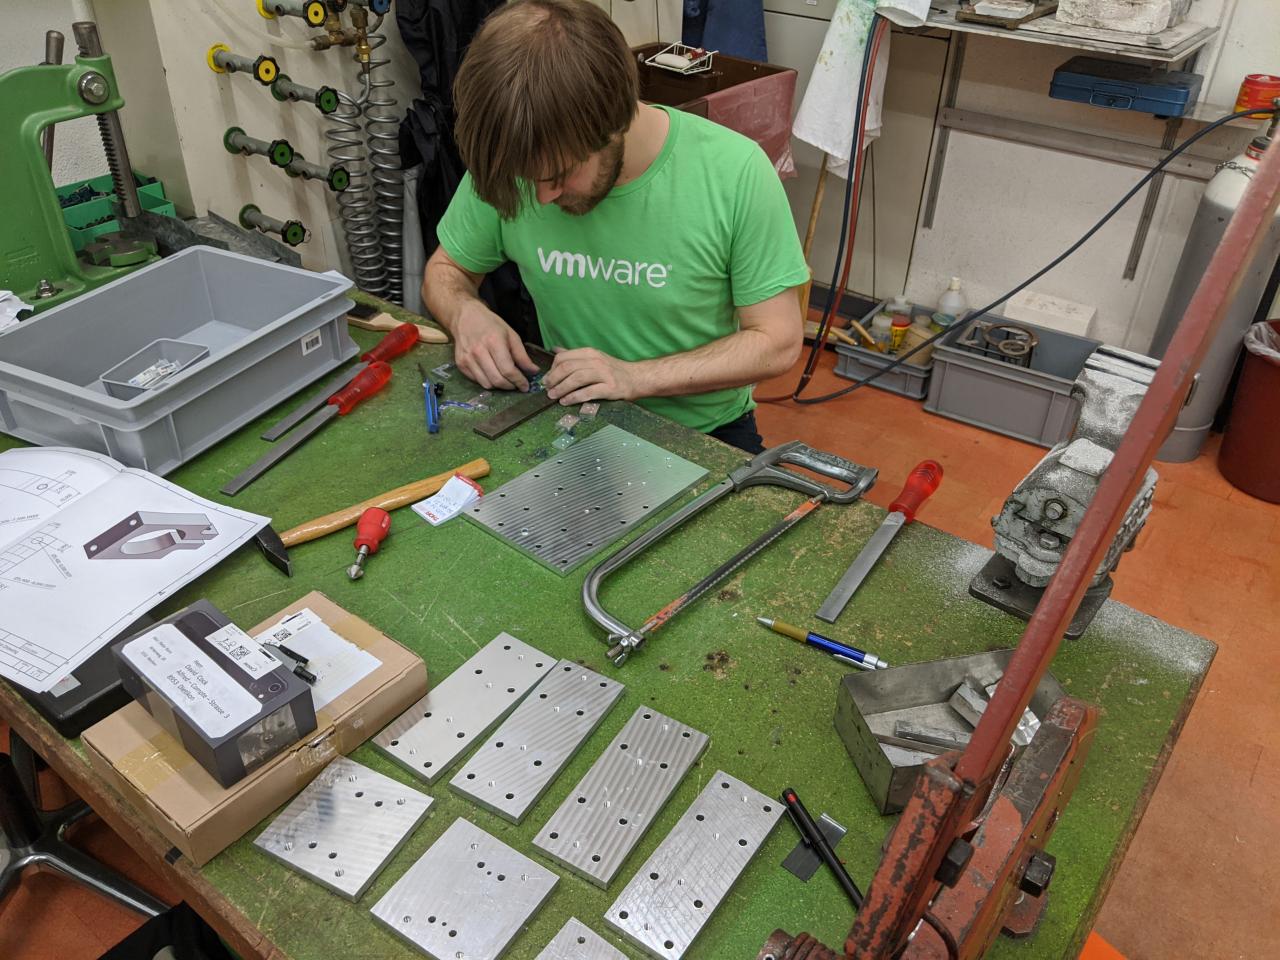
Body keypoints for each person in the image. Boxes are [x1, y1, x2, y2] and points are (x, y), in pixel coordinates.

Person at [422, 0, 809, 453]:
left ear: (616, 119)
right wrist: (465, 313)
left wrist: (634, 376)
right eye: (531, 179)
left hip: (704, 433)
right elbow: (446, 271)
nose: (542, 196)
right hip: (567, 414)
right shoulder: (519, 166)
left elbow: (778, 342)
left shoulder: (733, 171)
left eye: (559, 175)